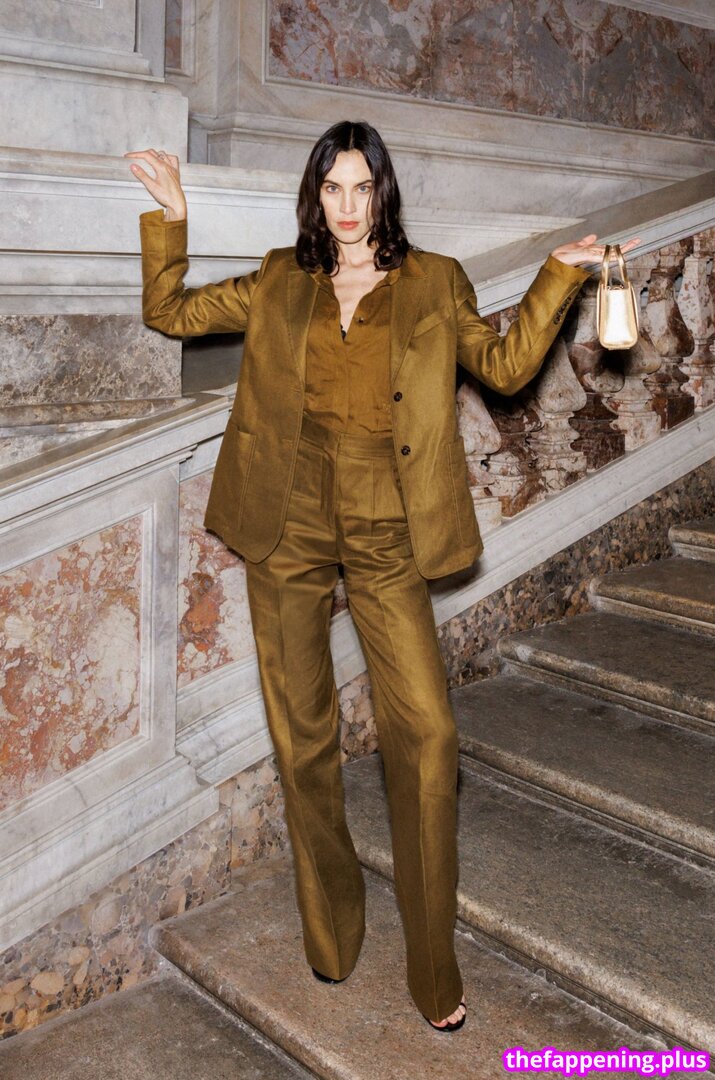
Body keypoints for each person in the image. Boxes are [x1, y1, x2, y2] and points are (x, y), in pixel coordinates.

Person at [126, 121, 640, 1032]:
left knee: (428, 735)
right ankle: (332, 931)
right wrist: (170, 214)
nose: (349, 206)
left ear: (383, 192)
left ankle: (432, 967)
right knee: (302, 736)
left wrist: (558, 276)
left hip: (386, 524)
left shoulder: (433, 281)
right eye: (334, 188)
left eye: (363, 188)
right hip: (284, 518)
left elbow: (507, 366)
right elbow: (170, 311)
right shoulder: (279, 278)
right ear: (315, 195)